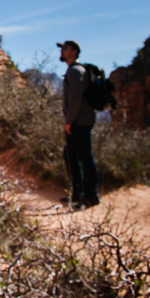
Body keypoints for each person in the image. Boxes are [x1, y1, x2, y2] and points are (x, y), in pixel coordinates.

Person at [57, 40, 100, 209]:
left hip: (78, 123)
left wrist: (69, 122)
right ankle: (78, 195)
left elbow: (75, 100)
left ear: (74, 51)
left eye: (65, 48)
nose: (61, 51)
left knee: (82, 158)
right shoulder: (76, 70)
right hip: (80, 121)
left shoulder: (75, 71)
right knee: (74, 158)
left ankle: (89, 196)